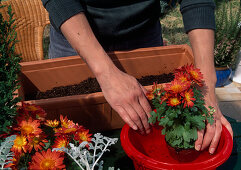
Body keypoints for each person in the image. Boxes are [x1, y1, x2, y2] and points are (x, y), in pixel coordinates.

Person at [42, 0, 233, 154]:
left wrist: (206, 82)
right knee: (67, 142)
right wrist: (105, 72)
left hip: (143, 37)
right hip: (76, 35)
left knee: (149, 132)